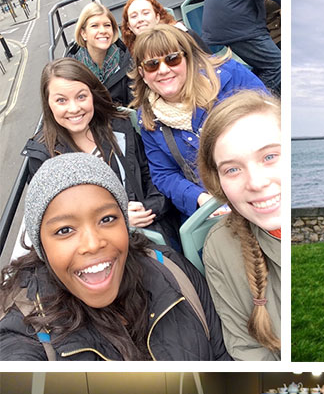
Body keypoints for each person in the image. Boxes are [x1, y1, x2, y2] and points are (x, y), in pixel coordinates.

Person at [0, 152, 229, 361]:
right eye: (64, 230)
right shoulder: (24, 335)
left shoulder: (171, 269)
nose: (92, 244)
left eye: (107, 219)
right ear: (41, 246)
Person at [24, 58, 178, 246]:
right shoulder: (42, 156)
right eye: (61, 100)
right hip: (91, 246)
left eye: (81, 97)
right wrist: (116, 218)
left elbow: (152, 175)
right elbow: (54, 222)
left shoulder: (120, 126)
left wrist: (149, 208)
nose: (74, 108)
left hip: (146, 233)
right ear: (48, 104)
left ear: (92, 96)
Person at [131, 25, 266, 220]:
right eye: (152, 65)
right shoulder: (148, 119)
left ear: (187, 59)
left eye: (172, 59)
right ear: (142, 73)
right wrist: (200, 198)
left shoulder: (230, 75)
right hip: (212, 210)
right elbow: (164, 174)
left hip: (257, 186)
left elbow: (269, 120)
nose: (163, 70)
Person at [197, 90, 281, 360]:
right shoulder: (221, 249)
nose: (256, 182)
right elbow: (245, 348)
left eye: (270, 157)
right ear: (217, 181)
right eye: (232, 169)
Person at [201, 0, 281, 95]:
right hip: (238, 26)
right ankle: (255, 102)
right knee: (278, 65)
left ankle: (246, 96)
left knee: (264, 66)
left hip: (226, 23)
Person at [66, 2, 132, 105]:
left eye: (107, 25)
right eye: (94, 26)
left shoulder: (127, 60)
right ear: (83, 33)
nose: (102, 30)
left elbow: (134, 102)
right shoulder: (71, 70)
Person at [121, 0, 209, 56]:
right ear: (129, 26)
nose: (140, 19)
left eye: (145, 13)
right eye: (134, 16)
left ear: (157, 17)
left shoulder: (184, 37)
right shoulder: (130, 56)